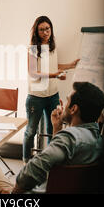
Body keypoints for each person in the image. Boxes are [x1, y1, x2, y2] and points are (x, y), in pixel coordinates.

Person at [0, 81, 104, 194]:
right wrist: (56, 129)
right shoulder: (98, 140)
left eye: (67, 100)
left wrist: (14, 192)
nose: (64, 104)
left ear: (73, 109)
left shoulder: (69, 138)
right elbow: (59, 165)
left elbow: (36, 167)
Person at [23, 15, 80, 162]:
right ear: (36, 32)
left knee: (54, 129)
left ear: (51, 29)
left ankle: (49, 160)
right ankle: (26, 162)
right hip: (36, 97)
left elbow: (55, 66)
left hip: (53, 95)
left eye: (47, 29)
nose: (45, 32)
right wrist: (54, 75)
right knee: (31, 132)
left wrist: (71, 65)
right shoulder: (33, 49)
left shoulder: (53, 47)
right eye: (41, 30)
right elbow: (33, 72)